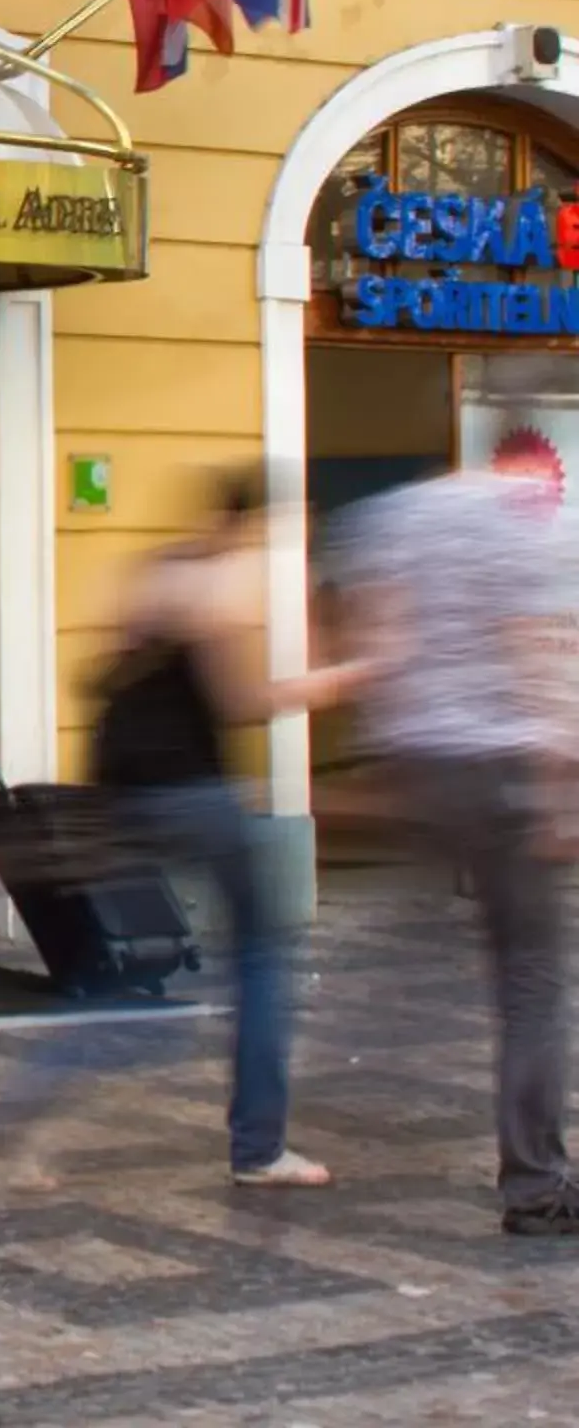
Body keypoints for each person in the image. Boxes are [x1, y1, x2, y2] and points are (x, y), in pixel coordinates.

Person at [5, 468, 350, 1189]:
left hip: (130, 796)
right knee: (262, 959)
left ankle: (36, 1095)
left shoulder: (158, 571)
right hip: (198, 795)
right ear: (259, 521)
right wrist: (329, 685)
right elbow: (239, 699)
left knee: (134, 968)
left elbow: (102, 673)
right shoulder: (227, 580)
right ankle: (258, 1148)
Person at [330, 459, 579, 1236]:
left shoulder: (396, 514)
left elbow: (374, 632)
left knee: (428, 935)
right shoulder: (525, 523)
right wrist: (556, 788)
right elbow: (532, 648)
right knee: (532, 981)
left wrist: (385, 760)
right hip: (502, 764)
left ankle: (353, 1042)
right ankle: (536, 1187)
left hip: (425, 760)